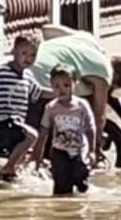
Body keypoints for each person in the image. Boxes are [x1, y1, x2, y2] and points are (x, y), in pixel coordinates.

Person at [28, 27, 121, 158]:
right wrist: (96, 148)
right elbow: (98, 118)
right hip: (43, 79)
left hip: (27, 64)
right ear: (116, 80)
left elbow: (47, 29)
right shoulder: (106, 71)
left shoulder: (86, 39)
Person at [0, 34, 47, 180]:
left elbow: (40, 92)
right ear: (14, 52)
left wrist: (61, 94)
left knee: (23, 152)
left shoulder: (28, 77)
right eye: (23, 53)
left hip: (17, 122)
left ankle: (12, 172)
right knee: (32, 136)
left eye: (33, 55)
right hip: (0, 120)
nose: (28, 58)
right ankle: (8, 168)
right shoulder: (0, 71)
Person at [34, 66, 97, 196]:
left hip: (79, 150)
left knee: (82, 185)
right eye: (56, 86)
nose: (61, 90)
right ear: (51, 86)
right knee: (61, 188)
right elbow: (44, 131)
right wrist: (38, 154)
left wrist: (92, 151)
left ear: (75, 84)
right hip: (59, 151)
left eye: (66, 85)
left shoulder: (82, 106)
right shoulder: (51, 107)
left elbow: (90, 129)